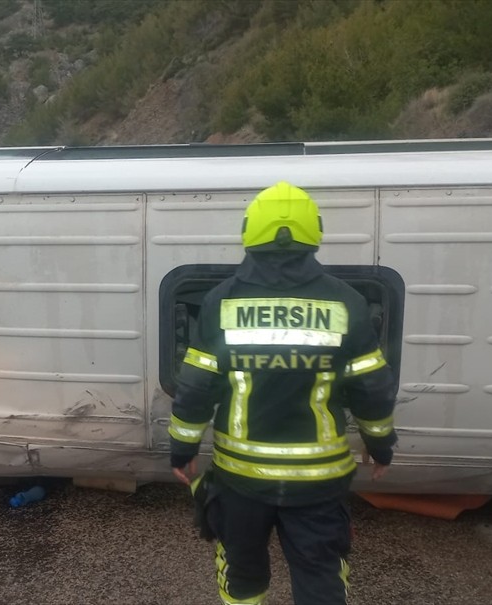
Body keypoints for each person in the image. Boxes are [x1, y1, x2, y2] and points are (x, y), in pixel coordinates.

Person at [168, 182, 398, 605]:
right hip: (319, 483)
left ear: (248, 232)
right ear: (315, 233)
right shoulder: (345, 303)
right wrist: (380, 445)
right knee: (319, 576)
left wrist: (181, 449)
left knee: (243, 573)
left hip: (240, 480)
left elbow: (197, 386)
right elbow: (373, 388)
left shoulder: (221, 303)